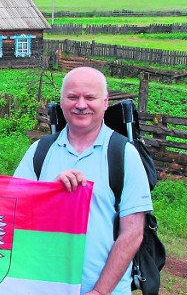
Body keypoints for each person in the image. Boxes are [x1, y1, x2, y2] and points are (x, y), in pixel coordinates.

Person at [14, 66, 152, 295]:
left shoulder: (123, 154)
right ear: (61, 101)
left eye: (90, 97)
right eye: (72, 97)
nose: (80, 104)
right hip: (45, 286)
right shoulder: (40, 152)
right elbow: (15, 212)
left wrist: (99, 291)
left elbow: (133, 233)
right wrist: (49, 193)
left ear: (105, 102)